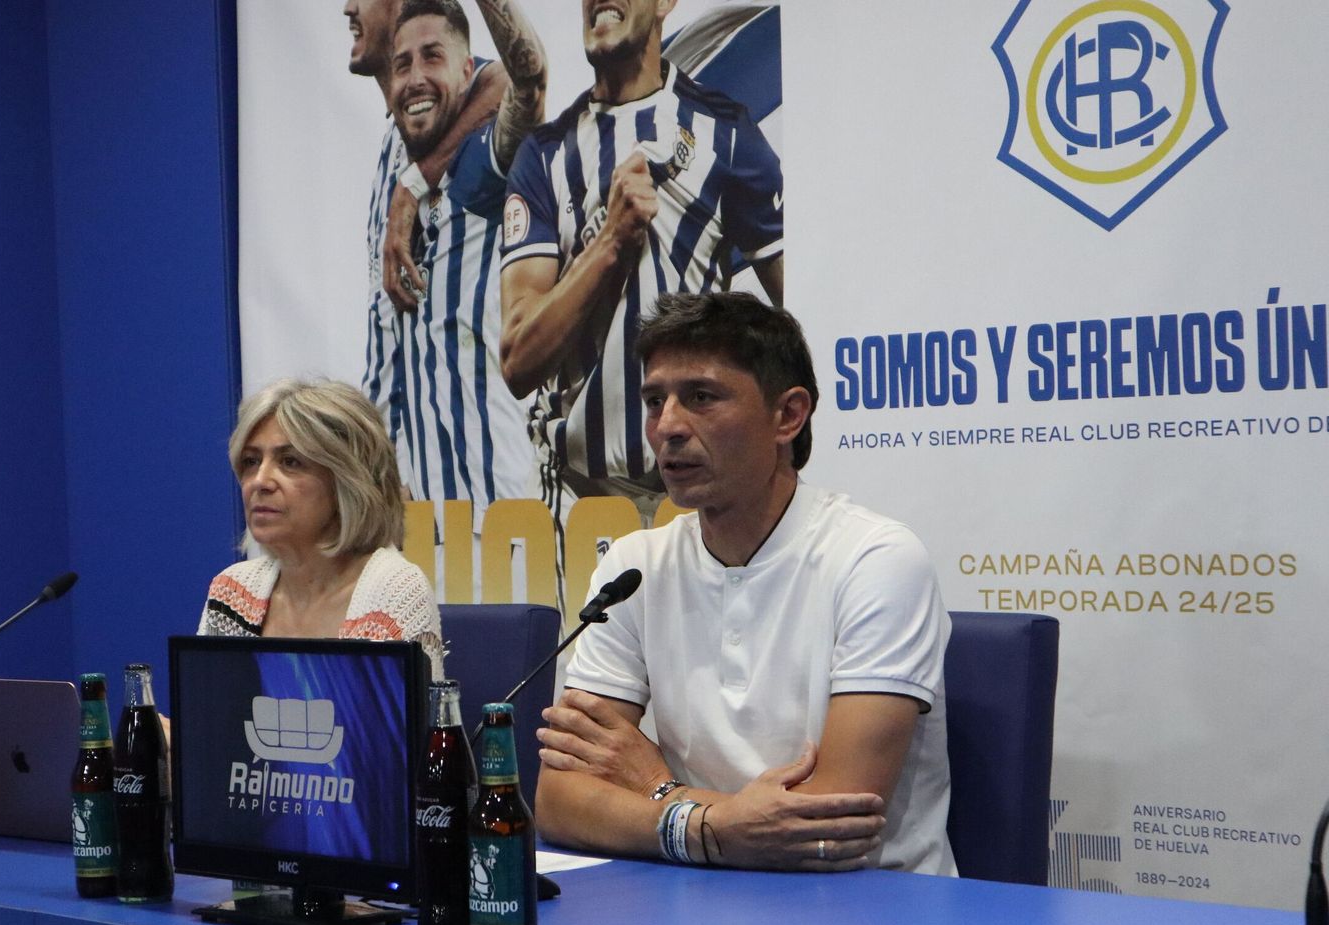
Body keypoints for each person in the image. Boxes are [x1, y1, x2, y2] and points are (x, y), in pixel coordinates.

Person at [534, 293, 956, 875]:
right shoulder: (634, 567)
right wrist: (718, 828)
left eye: (701, 397)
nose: (668, 427)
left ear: (788, 416)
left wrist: (657, 788)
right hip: (700, 904)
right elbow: (559, 802)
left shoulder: (876, 558)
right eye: (655, 400)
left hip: (868, 922)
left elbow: (830, 829)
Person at [498, 0, 785, 524]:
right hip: (579, 505)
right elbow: (519, 361)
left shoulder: (728, 135)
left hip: (701, 501)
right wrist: (609, 243)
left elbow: (802, 316)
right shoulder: (543, 157)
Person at [343, 0, 522, 519]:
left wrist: (414, 186)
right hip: (418, 505)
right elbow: (387, 339)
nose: (349, 8)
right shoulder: (390, 149)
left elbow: (514, 77)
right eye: (405, 64)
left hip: (494, 495)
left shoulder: (472, 112)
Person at [198, 379, 444, 677]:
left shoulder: (394, 593)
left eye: (290, 462)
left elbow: (403, 724)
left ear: (347, 482)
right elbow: (212, 716)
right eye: (251, 461)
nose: (259, 481)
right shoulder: (233, 594)